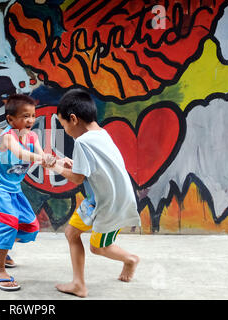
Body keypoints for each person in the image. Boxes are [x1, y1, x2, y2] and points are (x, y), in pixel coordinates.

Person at [47, 88, 141, 298]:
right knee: (72, 233)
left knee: (98, 248)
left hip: (111, 205)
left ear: (73, 119)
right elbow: (92, 169)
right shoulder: (101, 133)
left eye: (63, 124)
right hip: (96, 201)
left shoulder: (82, 142)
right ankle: (79, 284)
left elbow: (78, 178)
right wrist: (72, 164)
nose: (64, 129)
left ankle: (130, 259)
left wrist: (55, 167)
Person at [0, 94, 55, 291]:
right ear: (10, 120)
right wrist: (41, 159)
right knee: (8, 224)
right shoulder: (6, 137)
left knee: (30, 226)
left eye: (32, 116)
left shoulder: (32, 136)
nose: (30, 120)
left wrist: (57, 162)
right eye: (24, 116)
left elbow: (41, 154)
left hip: (14, 190)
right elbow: (20, 153)